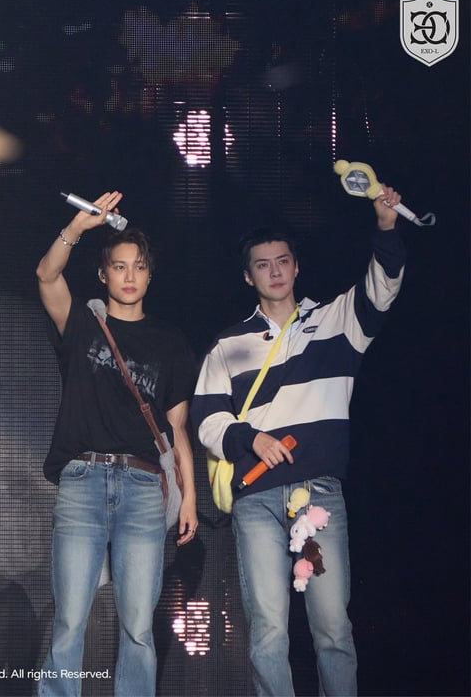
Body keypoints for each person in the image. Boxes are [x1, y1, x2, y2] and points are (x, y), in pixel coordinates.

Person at [191, 185, 405, 696]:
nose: (275, 271)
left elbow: (383, 287)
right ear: (248, 276)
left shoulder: (335, 320)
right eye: (263, 265)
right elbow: (205, 419)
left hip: (318, 495)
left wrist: (386, 225)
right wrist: (251, 439)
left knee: (332, 627)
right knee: (268, 630)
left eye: (283, 261)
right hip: (257, 497)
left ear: (296, 266)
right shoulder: (228, 343)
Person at [34, 191, 198, 697]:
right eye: (120, 267)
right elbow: (46, 275)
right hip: (83, 479)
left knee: (138, 627)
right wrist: (77, 229)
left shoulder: (170, 342)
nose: (130, 276)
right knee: (70, 620)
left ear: (150, 275)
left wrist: (190, 496)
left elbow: (176, 429)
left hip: (145, 487)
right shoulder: (83, 322)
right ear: (103, 274)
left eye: (139, 267)